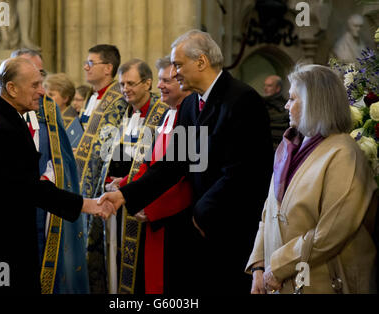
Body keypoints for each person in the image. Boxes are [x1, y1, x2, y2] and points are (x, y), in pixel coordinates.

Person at [99, 30, 273, 294]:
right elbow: (174, 164)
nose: (176, 72)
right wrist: (126, 194)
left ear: (201, 62)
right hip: (201, 225)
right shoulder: (191, 103)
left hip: (232, 227)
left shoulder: (242, 100)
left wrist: (201, 214)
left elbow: (242, 172)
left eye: (179, 65)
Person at [0, 57, 114, 294]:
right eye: (35, 85)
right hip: (1, 240)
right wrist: (87, 205)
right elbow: (28, 188)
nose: (41, 91)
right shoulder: (2, 128)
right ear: (12, 88)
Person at [246, 64, 377, 294]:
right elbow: (269, 210)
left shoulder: (343, 153)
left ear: (314, 104)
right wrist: (259, 264)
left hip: (322, 281)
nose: (286, 105)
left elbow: (333, 231)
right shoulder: (288, 148)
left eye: (292, 99)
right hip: (279, 279)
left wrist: (278, 266)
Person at [106, 55, 194, 293]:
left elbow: (188, 176)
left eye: (166, 81)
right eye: (160, 80)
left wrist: (152, 208)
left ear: (183, 82)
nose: (159, 86)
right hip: (154, 212)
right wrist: (127, 188)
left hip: (175, 218)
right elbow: (149, 164)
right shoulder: (168, 114)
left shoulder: (193, 117)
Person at [73, 44, 129, 294]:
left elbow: (115, 143)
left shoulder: (117, 98)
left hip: (100, 184)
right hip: (80, 180)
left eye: (90, 62)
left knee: (99, 252)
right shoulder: (90, 97)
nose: (85, 67)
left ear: (108, 68)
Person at [263, 75, 289, 149]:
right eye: (265, 85)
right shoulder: (261, 104)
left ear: (278, 88)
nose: (265, 88)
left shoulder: (286, 106)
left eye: (269, 86)